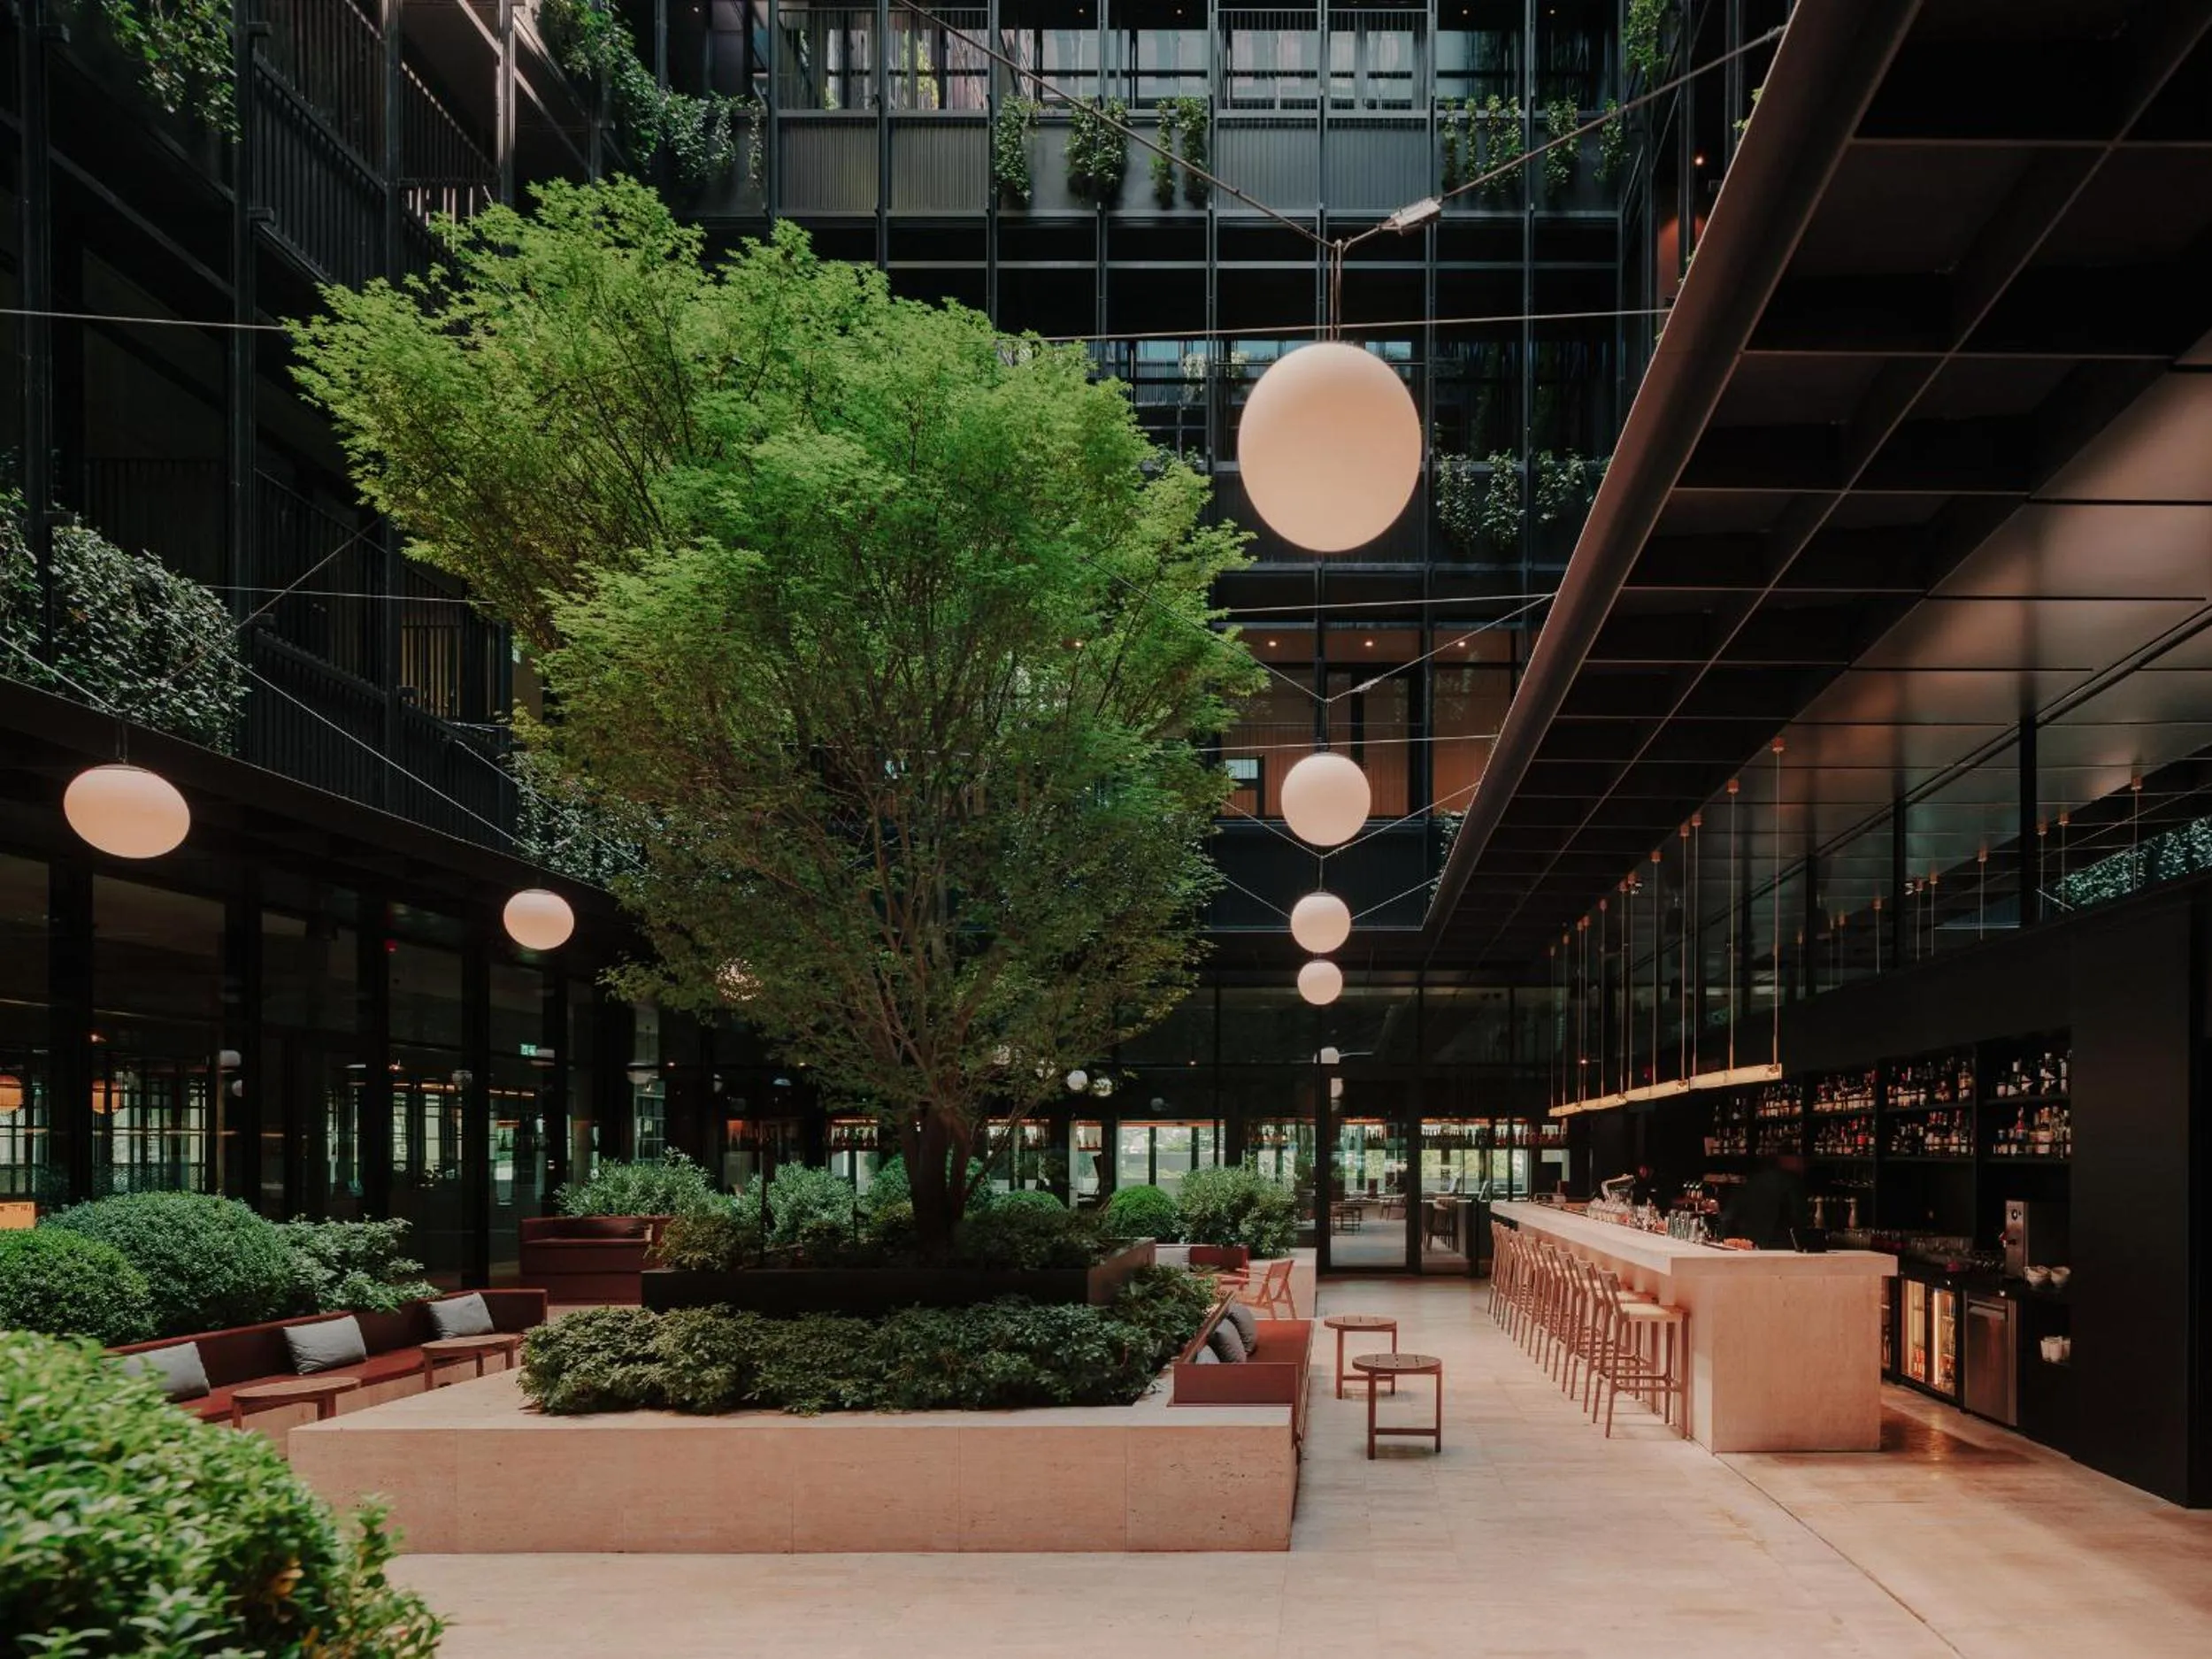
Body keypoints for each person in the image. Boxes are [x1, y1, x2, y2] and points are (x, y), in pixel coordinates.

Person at [1719, 1153, 1809, 1250]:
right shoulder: (1792, 1181)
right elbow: (1798, 1216)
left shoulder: (1751, 1181)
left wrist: (1723, 1238)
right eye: (1799, 1159)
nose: (1802, 1164)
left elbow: (1728, 1216)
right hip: (1779, 1246)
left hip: (1748, 1244)